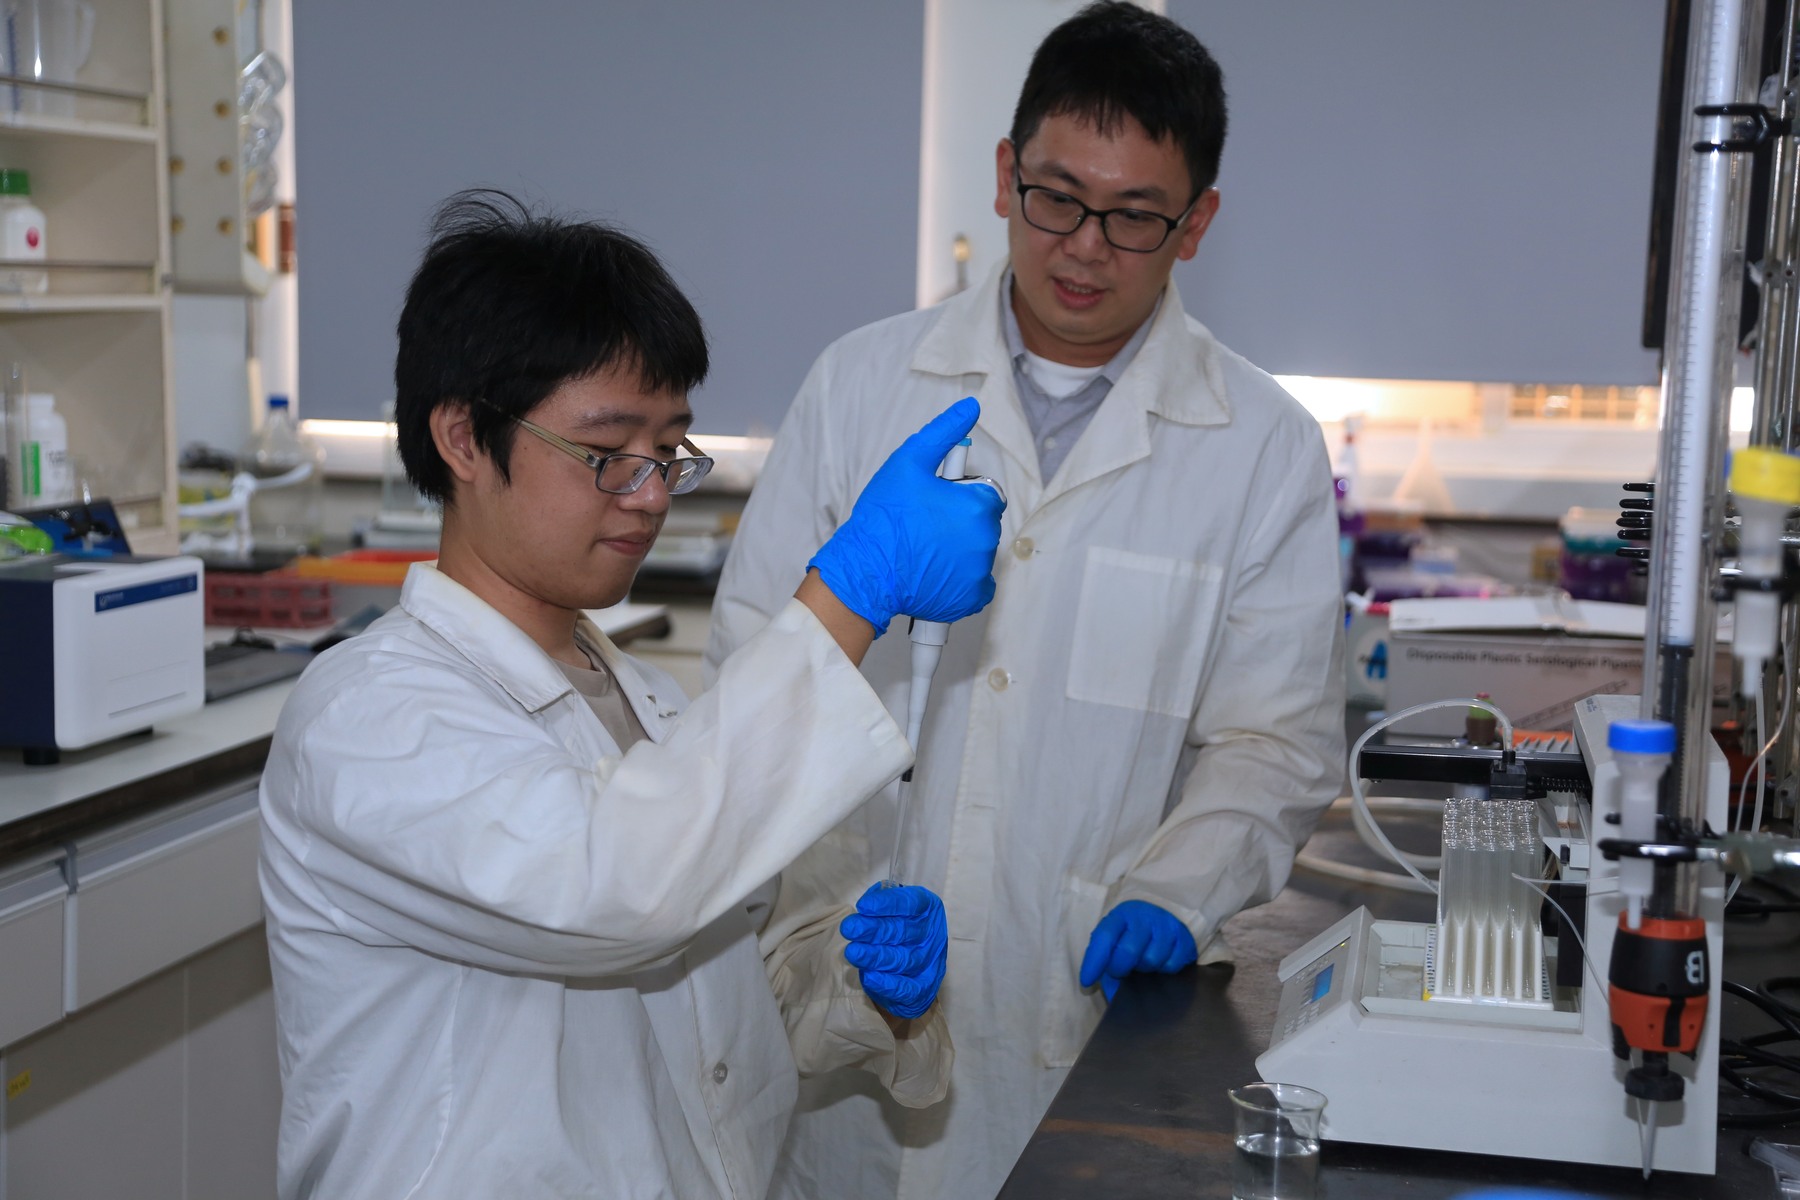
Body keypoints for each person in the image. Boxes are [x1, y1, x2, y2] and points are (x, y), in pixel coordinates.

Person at [705, 5, 1345, 1197]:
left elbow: (1276, 740)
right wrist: (838, 925)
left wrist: (1179, 887)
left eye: (1135, 216)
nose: (1084, 246)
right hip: (838, 1030)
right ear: (1004, 177)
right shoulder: (860, 387)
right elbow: (756, 677)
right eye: (1056, 196)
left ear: (1196, 224)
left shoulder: (1261, 447)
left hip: (1084, 1034)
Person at [258, 191, 1005, 1200]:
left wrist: (863, 991)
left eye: (668, 452)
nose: (651, 493)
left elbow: (717, 1009)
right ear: (464, 439)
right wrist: (850, 594)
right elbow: (617, 891)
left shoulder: (647, 702)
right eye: (608, 454)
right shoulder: (366, 720)